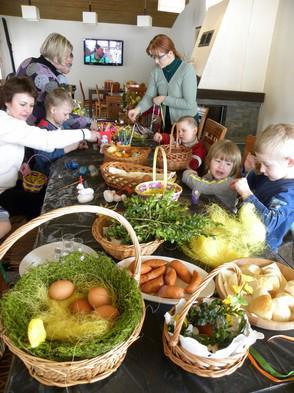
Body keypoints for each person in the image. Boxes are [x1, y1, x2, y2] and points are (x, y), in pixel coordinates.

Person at [0, 76, 98, 219]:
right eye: (22, 104)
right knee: (45, 204)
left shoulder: (12, 122)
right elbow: (46, 140)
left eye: (31, 105)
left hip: (10, 185)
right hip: (3, 192)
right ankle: (34, 233)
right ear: (7, 101)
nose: (27, 110)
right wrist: (86, 133)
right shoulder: (7, 124)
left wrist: (20, 167)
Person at [231, 124, 294, 252]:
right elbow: (251, 181)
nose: (262, 169)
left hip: (262, 248)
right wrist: (248, 170)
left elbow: (270, 222)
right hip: (244, 233)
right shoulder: (271, 174)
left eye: (267, 164)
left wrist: (246, 193)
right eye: (261, 162)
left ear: (289, 162)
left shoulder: (289, 193)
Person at [16, 33, 92, 129]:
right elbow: (61, 113)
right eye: (68, 55)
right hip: (30, 131)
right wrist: (89, 122)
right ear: (56, 58)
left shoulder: (29, 61)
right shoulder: (46, 76)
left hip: (14, 124)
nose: (71, 58)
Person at [128, 34, 198, 133]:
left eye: (159, 57)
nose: (156, 61)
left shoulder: (187, 70)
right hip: (167, 122)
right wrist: (137, 110)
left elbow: (189, 103)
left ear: (170, 53)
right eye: (153, 57)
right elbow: (149, 96)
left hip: (186, 126)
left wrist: (164, 99)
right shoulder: (155, 72)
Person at [34, 88, 88, 176]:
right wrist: (70, 147)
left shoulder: (60, 125)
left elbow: (62, 142)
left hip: (59, 167)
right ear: (53, 110)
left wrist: (77, 144)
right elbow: (43, 157)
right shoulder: (42, 130)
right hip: (47, 177)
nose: (67, 118)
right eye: (65, 114)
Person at [182, 139, 241, 210]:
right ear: (209, 161)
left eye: (228, 164)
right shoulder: (210, 175)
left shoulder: (228, 183)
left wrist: (187, 173)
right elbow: (202, 185)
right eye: (218, 161)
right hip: (210, 208)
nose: (222, 167)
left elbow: (200, 186)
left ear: (233, 168)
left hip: (224, 216)